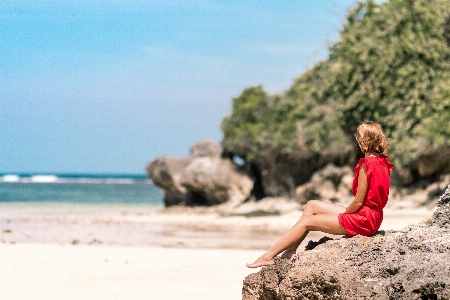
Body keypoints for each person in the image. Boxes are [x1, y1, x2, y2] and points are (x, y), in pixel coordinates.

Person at [246, 121, 393, 268]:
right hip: (372, 216)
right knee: (311, 206)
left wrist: (348, 212)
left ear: (364, 140)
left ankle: (267, 256)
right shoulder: (382, 162)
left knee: (306, 222)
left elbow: (359, 201)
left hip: (363, 219)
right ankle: (291, 250)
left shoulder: (366, 165)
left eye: (359, 137)